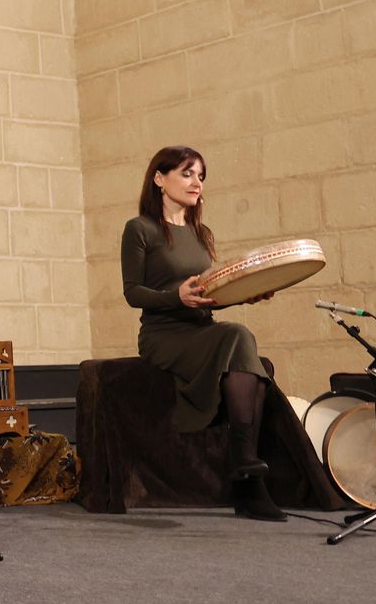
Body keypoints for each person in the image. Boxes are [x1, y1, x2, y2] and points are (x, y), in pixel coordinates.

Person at [119, 145, 285, 522]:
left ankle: (246, 469)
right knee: (241, 343)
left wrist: (246, 296)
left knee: (243, 344)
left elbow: (206, 297)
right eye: (187, 173)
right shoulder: (140, 229)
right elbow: (132, 293)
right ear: (159, 179)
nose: (196, 182)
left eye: (200, 176)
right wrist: (173, 296)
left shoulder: (199, 232)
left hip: (201, 330)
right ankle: (247, 478)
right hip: (163, 334)